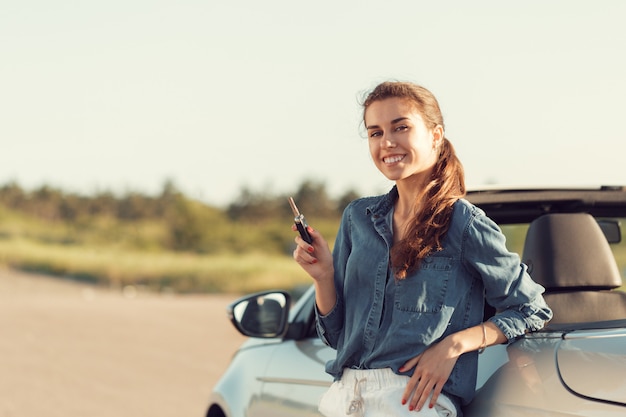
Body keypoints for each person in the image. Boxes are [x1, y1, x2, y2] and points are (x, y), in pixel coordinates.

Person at [292, 81, 552, 417]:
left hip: (412, 403)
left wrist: (455, 345)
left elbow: (531, 309)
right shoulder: (358, 217)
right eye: (375, 132)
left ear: (435, 135)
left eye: (400, 127)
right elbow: (337, 335)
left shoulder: (464, 223)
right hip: (344, 399)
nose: (387, 142)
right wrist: (323, 276)